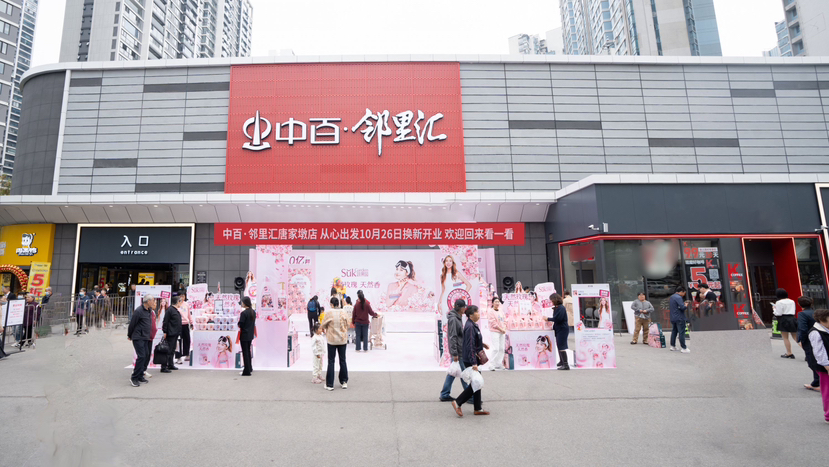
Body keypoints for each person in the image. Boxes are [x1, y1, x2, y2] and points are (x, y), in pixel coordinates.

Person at [451, 305, 490, 417]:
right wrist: (474, 363)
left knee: (477, 382)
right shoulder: (470, 326)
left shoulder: (472, 325)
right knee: (476, 382)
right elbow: (470, 346)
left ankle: (478, 408)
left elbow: (472, 341)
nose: (479, 314)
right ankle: (458, 402)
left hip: (473, 358)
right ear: (471, 315)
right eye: (477, 312)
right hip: (471, 359)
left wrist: (482, 344)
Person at [440, 299, 469, 401]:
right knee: (463, 373)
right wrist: (455, 353)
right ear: (460, 308)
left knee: (453, 373)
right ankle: (469, 395)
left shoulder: (457, 317)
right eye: (464, 307)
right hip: (458, 351)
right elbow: (453, 337)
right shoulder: (454, 319)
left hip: (459, 349)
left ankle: (445, 393)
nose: (465, 309)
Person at [805, 308, 829, 423]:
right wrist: (827, 366)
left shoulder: (826, 329)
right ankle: (828, 415)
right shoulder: (815, 332)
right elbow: (819, 352)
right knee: (827, 391)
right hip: (824, 366)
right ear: (822, 320)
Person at [321, 296, 349, 390]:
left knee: (331, 361)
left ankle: (330, 384)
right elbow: (348, 323)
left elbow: (323, 324)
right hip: (342, 339)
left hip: (332, 340)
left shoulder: (329, 312)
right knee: (343, 360)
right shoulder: (343, 312)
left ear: (331, 304)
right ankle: (344, 381)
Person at [127, 294, 155, 387]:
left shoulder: (149, 310)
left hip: (146, 337)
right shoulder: (139, 311)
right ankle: (134, 377)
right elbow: (132, 324)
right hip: (138, 337)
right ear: (148, 301)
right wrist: (129, 335)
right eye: (153, 300)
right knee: (142, 356)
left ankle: (140, 375)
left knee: (146, 355)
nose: (154, 302)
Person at [797, 296, 820, 392]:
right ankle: (817, 382)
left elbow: (802, 329)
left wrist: (801, 340)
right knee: (819, 359)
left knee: (812, 361)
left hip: (809, 339)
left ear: (799, 304)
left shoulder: (802, 314)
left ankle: (817, 383)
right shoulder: (816, 312)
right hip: (820, 337)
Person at [547, 293, 570, 370]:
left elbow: (557, 319)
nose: (551, 302)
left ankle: (566, 364)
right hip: (559, 329)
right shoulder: (558, 308)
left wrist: (548, 319)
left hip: (562, 329)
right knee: (559, 345)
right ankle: (562, 361)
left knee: (561, 346)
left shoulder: (561, 308)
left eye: (551, 300)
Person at [773, 288, 797, 359]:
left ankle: (789, 353)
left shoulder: (779, 302)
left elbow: (778, 313)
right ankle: (808, 352)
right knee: (796, 337)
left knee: (785, 338)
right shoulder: (792, 301)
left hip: (784, 319)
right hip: (792, 318)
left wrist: (774, 309)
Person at [160, 295, 182, 373]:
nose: (181, 303)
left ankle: (170, 364)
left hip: (175, 333)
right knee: (168, 350)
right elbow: (165, 321)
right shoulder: (170, 310)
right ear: (177, 302)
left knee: (172, 350)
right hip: (170, 333)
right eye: (180, 301)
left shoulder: (175, 310)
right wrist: (165, 331)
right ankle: (164, 366)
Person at [237, 296, 257, 376]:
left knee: (245, 352)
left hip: (244, 335)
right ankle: (249, 367)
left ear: (245, 303)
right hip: (250, 334)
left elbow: (241, 324)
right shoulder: (253, 312)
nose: (241, 303)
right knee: (248, 352)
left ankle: (246, 371)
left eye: (242, 302)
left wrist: (238, 323)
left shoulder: (244, 313)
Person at [488, 297, 507, 371]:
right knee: (495, 348)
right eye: (495, 301)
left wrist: (504, 328)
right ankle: (491, 364)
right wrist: (501, 329)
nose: (497, 303)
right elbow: (493, 323)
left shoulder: (501, 311)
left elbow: (505, 320)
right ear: (492, 303)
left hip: (502, 332)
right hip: (495, 331)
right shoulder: (490, 312)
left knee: (501, 348)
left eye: (498, 302)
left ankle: (498, 364)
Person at [669, 286, 690, 353]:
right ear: (681, 292)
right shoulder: (679, 297)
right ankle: (684, 348)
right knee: (681, 332)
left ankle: (673, 346)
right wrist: (686, 305)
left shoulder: (672, 297)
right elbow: (682, 307)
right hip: (680, 317)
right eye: (684, 293)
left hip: (673, 317)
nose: (684, 294)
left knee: (674, 331)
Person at [176, 292, 193, 365]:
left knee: (187, 340)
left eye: (183, 296)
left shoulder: (186, 304)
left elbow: (189, 314)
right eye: (181, 296)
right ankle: (178, 357)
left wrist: (191, 322)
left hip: (186, 324)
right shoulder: (177, 304)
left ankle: (186, 354)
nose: (182, 298)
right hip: (178, 324)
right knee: (178, 341)